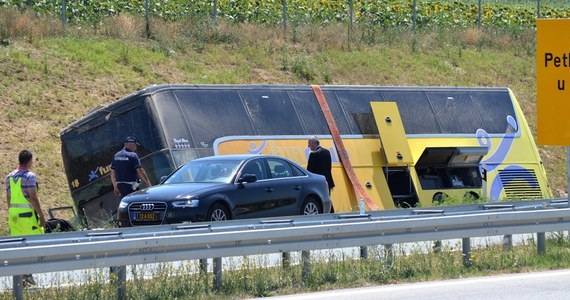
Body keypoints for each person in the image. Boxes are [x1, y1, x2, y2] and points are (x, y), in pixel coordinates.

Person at [5, 149, 46, 287]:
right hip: (27, 217)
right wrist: (41, 216)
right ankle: (27, 276)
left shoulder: (9, 177)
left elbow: (8, 199)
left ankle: (22, 277)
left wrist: (12, 213)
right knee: (33, 245)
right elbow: (33, 197)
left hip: (14, 217)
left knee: (18, 247)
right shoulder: (29, 176)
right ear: (29, 161)